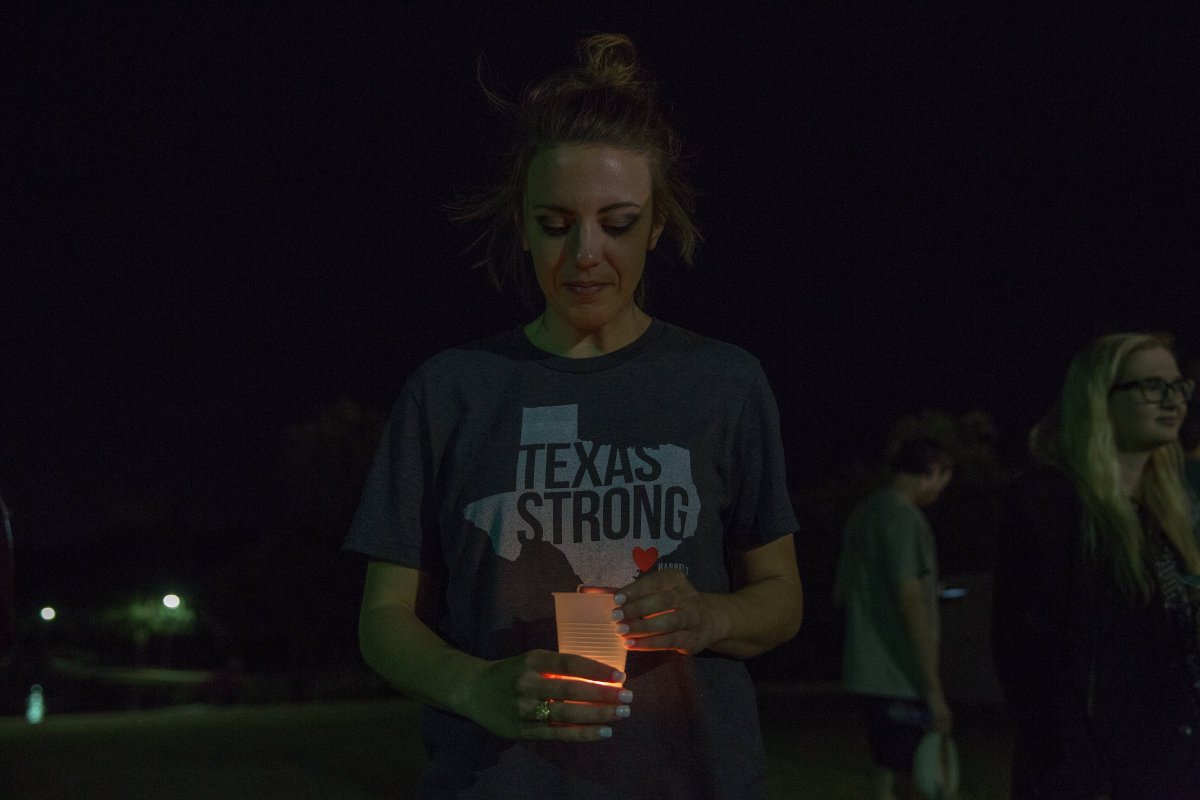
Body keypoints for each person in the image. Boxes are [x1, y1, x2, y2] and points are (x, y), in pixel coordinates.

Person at [343, 34, 803, 799]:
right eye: (556, 224)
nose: (585, 252)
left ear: (657, 225)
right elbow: (383, 618)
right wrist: (472, 687)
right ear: (522, 226)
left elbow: (781, 597)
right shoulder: (453, 390)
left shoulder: (724, 381)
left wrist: (711, 616)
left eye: (617, 222)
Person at [992, 332, 1200, 799]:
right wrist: (1076, 771)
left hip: (1170, 769)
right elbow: (1030, 661)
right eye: (1152, 386)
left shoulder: (1164, 514)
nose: (1173, 401)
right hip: (1091, 777)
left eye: (1179, 386)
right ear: (1099, 398)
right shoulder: (1051, 505)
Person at [833, 436, 955, 800]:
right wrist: (934, 692)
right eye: (943, 481)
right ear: (932, 472)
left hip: (867, 672)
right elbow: (910, 600)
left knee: (885, 776)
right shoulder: (905, 518)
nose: (941, 492)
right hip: (901, 674)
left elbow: (841, 594)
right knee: (918, 782)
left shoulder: (864, 514)